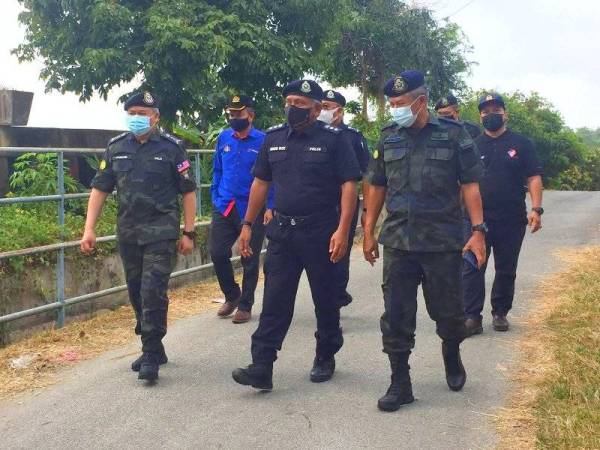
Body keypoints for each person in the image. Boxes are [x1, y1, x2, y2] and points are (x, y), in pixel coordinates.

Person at [363, 70, 486, 412]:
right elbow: (376, 185)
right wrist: (369, 230)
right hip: (399, 241)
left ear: (421, 101)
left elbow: (470, 185)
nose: (394, 110)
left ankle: (451, 350)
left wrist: (478, 232)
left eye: (400, 103)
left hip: (442, 242)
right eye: (391, 104)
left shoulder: (453, 135)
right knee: (396, 314)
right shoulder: (388, 137)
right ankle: (400, 383)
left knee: (448, 313)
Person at [231, 79, 361, 391]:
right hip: (283, 233)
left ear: (316, 110)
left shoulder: (335, 140)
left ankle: (326, 352)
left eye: (300, 104)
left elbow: (349, 186)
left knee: (325, 299)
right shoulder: (274, 138)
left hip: (322, 231)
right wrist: (247, 225)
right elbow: (261, 183)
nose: (293, 108)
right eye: (289, 101)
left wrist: (344, 230)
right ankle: (262, 365)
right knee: (275, 301)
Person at [80, 91, 197, 382]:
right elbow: (100, 188)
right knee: (135, 291)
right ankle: (154, 346)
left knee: (152, 291)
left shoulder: (172, 148)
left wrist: (189, 231)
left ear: (155, 117)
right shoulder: (116, 147)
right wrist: (89, 228)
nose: (136, 118)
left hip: (161, 231)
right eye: (132, 112)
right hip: (129, 231)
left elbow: (188, 191)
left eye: (142, 113)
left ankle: (150, 352)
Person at [462, 93, 544, 336]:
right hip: (478, 220)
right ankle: (472, 317)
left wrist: (536, 209)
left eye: (495, 110)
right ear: (480, 116)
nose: (490, 115)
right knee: (472, 266)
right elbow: (463, 183)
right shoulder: (473, 145)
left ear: (505, 113)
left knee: (506, 267)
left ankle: (500, 312)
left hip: (511, 218)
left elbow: (534, 177)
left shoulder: (522, 143)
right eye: (485, 112)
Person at [210, 95, 274, 324]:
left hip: (252, 207)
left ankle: (245, 305)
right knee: (217, 252)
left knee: (249, 255)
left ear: (251, 115)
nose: (235, 118)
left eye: (239, 113)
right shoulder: (224, 138)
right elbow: (217, 169)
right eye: (232, 114)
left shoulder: (263, 141)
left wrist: (271, 206)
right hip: (225, 205)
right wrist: (215, 196)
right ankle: (232, 295)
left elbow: (271, 177)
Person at [319, 89, 370, 308]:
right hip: (319, 203)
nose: (322, 111)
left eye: (327, 107)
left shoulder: (353, 137)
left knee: (341, 250)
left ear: (338, 111)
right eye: (320, 106)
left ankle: (337, 293)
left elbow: (368, 174)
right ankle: (328, 295)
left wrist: (367, 210)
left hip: (344, 204)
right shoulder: (314, 133)